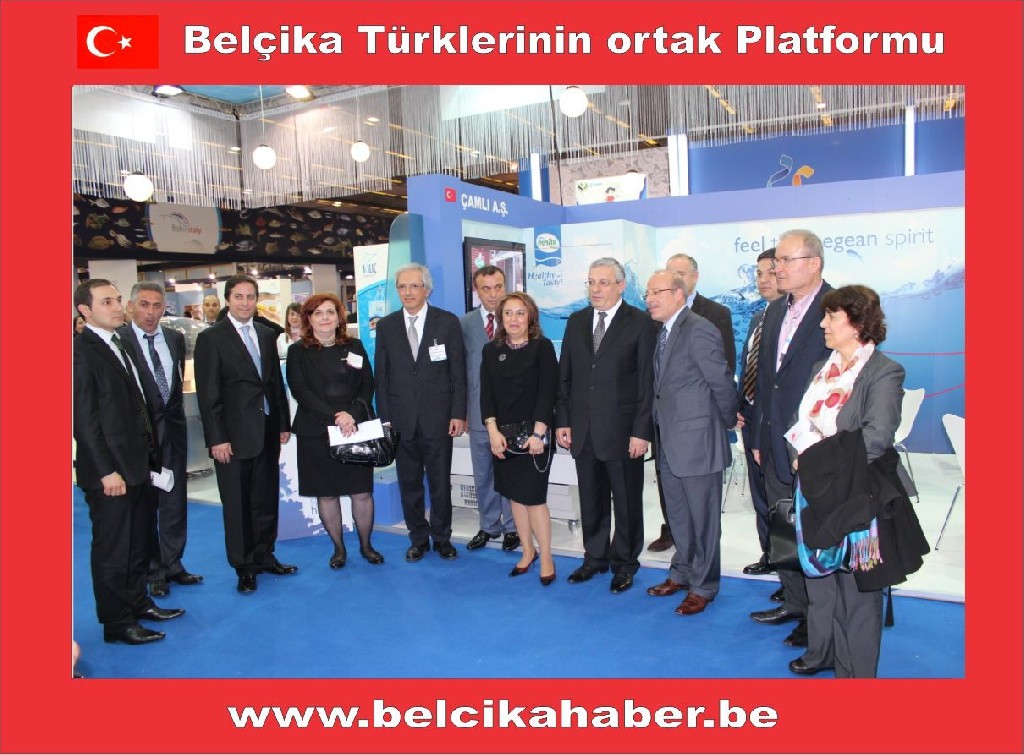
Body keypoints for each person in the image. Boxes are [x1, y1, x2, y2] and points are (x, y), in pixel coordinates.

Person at [783, 285, 908, 676]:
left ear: (857, 324)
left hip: (856, 493)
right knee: (822, 579)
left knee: (858, 591)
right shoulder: (821, 368)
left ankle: (857, 677)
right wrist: (800, 453)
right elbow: (802, 422)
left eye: (831, 316)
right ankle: (828, 656)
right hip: (813, 490)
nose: (823, 324)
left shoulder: (883, 371)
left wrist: (815, 462)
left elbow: (876, 437)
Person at [73, 279, 184, 645]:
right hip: (111, 472)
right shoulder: (80, 352)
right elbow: (83, 421)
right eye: (107, 302)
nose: (118, 307)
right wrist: (106, 471)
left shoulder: (119, 343)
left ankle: (138, 603)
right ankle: (117, 622)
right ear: (85, 310)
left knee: (138, 542)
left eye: (118, 300)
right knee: (114, 549)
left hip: (138, 467)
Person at [748, 229, 833, 655]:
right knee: (783, 526)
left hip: (817, 445)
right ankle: (794, 602)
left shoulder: (836, 309)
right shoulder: (776, 311)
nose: (777, 269)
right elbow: (767, 381)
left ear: (813, 264)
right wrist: (760, 434)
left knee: (815, 533)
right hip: (773, 439)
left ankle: (820, 623)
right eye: (776, 261)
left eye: (785, 260)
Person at [555, 257, 655, 593]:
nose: (595, 289)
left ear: (621, 286)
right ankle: (594, 557)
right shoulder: (576, 321)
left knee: (626, 502)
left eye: (603, 282)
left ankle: (624, 563)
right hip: (583, 430)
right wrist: (563, 420)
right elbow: (565, 374)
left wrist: (641, 431)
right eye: (591, 282)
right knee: (591, 498)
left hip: (623, 433)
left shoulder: (640, 323)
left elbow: (647, 383)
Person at [643, 270, 739, 615]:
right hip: (668, 441)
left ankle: (704, 586)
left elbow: (721, 381)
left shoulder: (699, 329)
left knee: (703, 520)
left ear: (678, 294)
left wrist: (728, 420)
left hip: (698, 442)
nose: (649, 299)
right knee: (679, 516)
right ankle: (682, 572)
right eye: (648, 293)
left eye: (657, 292)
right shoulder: (665, 331)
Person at [194, 274, 295, 594]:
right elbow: (208, 395)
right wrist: (217, 439)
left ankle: (265, 555)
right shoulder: (211, 338)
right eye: (238, 297)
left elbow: (273, 384)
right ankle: (244, 566)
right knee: (237, 505)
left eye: (250, 296)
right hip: (232, 438)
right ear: (227, 300)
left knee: (265, 498)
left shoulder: (266, 334)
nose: (245, 302)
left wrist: (282, 423)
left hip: (266, 431)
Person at [374, 263, 467, 562]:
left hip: (438, 418)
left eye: (414, 286)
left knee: (440, 483)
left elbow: (458, 372)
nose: (408, 292)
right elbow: (381, 376)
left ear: (427, 289)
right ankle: (418, 538)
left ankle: (442, 537)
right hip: (401, 420)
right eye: (402, 286)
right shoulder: (386, 326)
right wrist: (385, 418)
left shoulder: (447, 322)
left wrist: (458, 413)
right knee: (409, 483)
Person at [286, 293, 384, 568]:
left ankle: (366, 546)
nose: (325, 318)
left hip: (354, 428)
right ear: (308, 319)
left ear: (339, 317)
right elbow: (301, 391)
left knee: (361, 492)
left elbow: (367, 383)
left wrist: (352, 415)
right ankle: (339, 549)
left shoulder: (354, 345)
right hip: (316, 430)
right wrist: (336, 418)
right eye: (317, 313)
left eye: (330, 312)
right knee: (326, 493)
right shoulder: (298, 351)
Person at [118, 282, 203, 597]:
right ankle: (153, 570)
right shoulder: (119, 342)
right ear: (130, 307)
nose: (150, 312)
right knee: (146, 506)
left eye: (157, 305)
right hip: (140, 439)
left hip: (174, 433)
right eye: (144, 305)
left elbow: (174, 385)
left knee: (175, 501)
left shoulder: (174, 338)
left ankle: (173, 564)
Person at [480, 293, 559, 584]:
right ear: (501, 318)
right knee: (515, 497)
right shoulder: (491, 351)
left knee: (534, 499)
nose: (514, 319)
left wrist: (539, 433)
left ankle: (546, 556)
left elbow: (548, 393)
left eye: (520, 313)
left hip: (535, 436)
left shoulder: (542, 348)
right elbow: (486, 395)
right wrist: (492, 431)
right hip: (503, 438)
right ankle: (528, 551)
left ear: (531, 317)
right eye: (508, 313)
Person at [460, 266, 519, 553]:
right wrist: (461, 411)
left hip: (511, 414)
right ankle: (488, 525)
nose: (493, 294)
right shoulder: (464, 324)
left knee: (509, 472)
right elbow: (459, 372)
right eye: (486, 288)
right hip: (477, 413)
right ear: (477, 290)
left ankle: (513, 527)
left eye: (498, 287)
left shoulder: (518, 320)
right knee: (482, 473)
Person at [739, 248, 785, 579]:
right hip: (751, 418)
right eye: (758, 274)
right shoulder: (759, 318)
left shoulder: (792, 321)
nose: (763, 280)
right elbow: (748, 368)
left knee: (781, 496)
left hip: (777, 423)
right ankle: (768, 552)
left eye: (771, 272)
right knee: (760, 492)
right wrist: (739, 407)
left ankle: (787, 566)